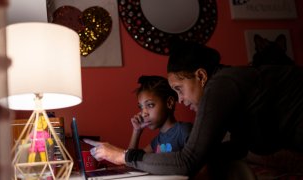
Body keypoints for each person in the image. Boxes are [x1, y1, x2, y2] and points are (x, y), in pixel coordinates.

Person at [84, 40, 303, 179]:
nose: (179, 99)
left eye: (179, 89)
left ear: (201, 76)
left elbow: (188, 162)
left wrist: (124, 156)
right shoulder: (233, 82)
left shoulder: (221, 84)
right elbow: (236, 148)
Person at [128, 75, 192, 153]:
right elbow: (131, 160)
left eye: (150, 105)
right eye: (141, 107)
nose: (144, 114)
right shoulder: (157, 142)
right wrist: (136, 131)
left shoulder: (184, 131)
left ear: (169, 103)